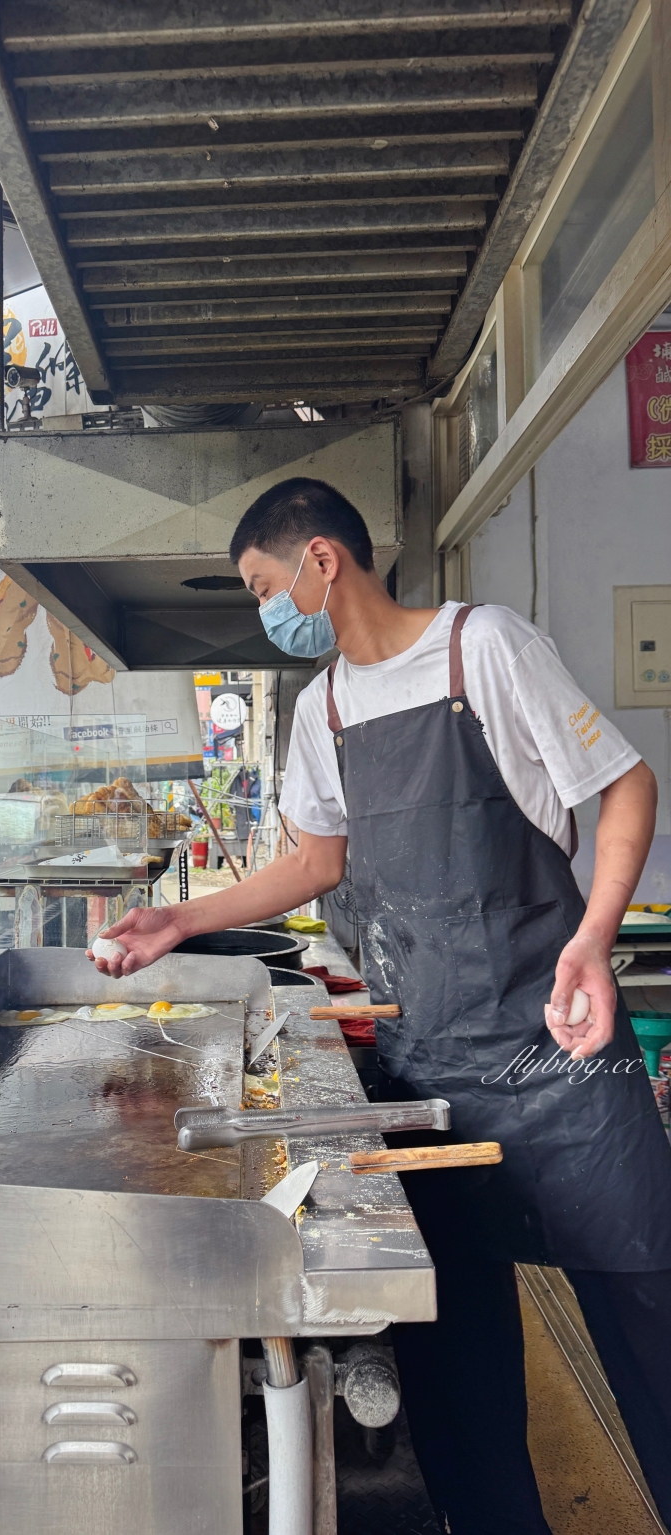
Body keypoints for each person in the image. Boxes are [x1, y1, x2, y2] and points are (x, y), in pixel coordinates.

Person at [90, 477, 671, 1534]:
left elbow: (624, 784)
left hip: (560, 1057)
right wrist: (181, 920)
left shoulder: (478, 647)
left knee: (647, 1321)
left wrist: (591, 937)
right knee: (458, 1365)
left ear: (322, 559)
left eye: (264, 584)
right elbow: (315, 860)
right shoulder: (323, 708)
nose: (264, 609)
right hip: (433, 1064)